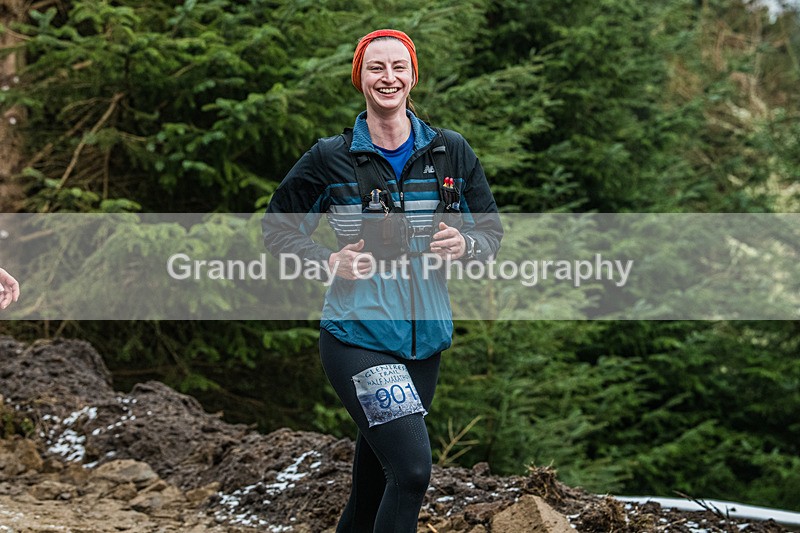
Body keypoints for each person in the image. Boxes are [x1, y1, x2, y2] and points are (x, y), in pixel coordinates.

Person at [262, 29, 502, 532]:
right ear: (360, 79)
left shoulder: (449, 152)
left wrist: (467, 245)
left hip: (425, 341)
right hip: (359, 336)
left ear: (413, 76)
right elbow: (277, 227)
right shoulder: (331, 157)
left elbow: (490, 230)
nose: (387, 77)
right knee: (412, 473)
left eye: (398, 67)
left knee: (374, 487)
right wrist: (328, 259)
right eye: (376, 68)